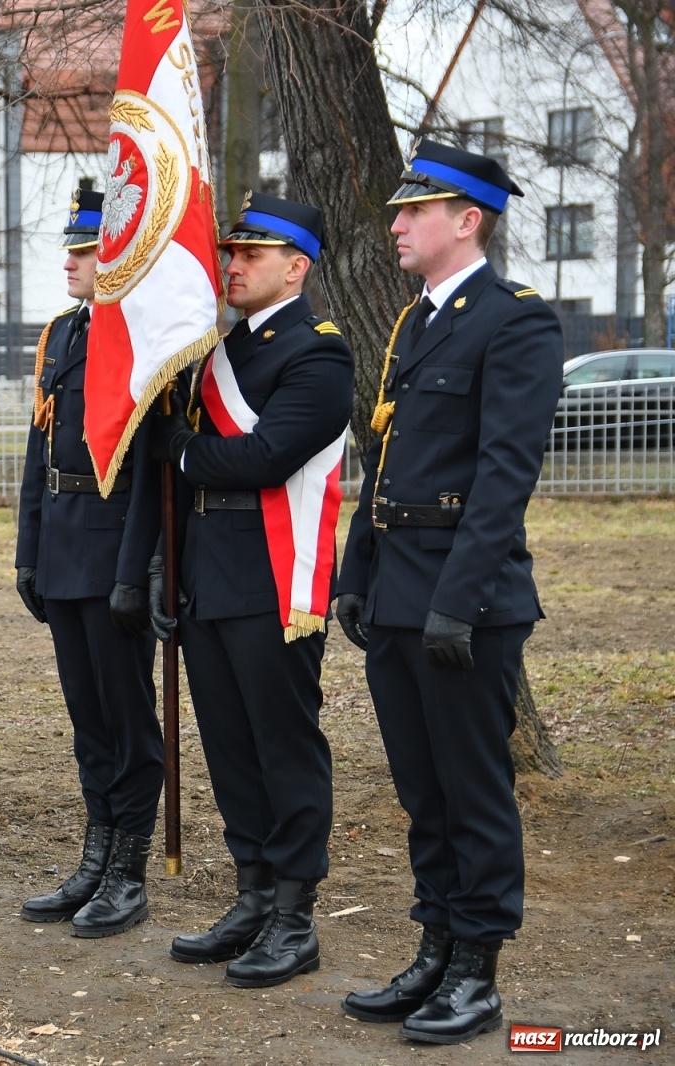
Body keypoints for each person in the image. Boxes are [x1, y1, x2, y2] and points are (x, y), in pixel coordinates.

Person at [334, 141, 562, 1044]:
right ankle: (434, 945)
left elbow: (506, 474)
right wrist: (359, 576)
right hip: (396, 592)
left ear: (466, 220)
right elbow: (384, 459)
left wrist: (457, 603)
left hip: (464, 600)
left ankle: (478, 967)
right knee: (420, 788)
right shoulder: (416, 322)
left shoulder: (514, 322)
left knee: (472, 788)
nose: (395, 224)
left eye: (413, 211)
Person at [151, 193, 353, 987]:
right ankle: (253, 893)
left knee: (283, 745)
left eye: (251, 255)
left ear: (295, 266)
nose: (231, 266)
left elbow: (266, 459)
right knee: (230, 746)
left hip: (276, 577)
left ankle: (295, 914)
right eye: (229, 253)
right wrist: (166, 571)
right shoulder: (213, 353)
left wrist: (181, 449)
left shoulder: (318, 354)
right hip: (209, 569)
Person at [14, 191, 166, 937]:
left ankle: (128, 869)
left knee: (125, 718)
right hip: (63, 545)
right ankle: (96, 852)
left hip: (112, 554)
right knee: (86, 719)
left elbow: (151, 472)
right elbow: (41, 452)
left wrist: (136, 572)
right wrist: (26, 552)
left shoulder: (142, 339)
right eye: (71, 249)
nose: (68, 261)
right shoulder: (64, 335)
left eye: (83, 250)